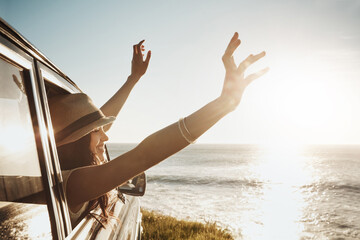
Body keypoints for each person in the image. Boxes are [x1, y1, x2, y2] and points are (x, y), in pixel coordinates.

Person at [49, 32, 268, 228]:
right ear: (75, 142)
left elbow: (94, 125)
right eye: (97, 131)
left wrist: (133, 79)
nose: (106, 134)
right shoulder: (73, 183)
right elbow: (143, 155)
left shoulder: (65, 175)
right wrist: (223, 104)